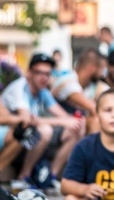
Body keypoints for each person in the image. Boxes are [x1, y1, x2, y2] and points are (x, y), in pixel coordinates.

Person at [2, 53, 85, 190]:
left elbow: (63, 116)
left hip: (28, 137)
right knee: (45, 130)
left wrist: (75, 121)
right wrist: (63, 122)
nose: (44, 77)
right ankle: (24, 177)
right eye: (39, 73)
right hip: (12, 134)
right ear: (29, 73)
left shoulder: (43, 92)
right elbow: (28, 120)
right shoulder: (19, 88)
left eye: (47, 74)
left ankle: (49, 176)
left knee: (74, 128)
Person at [50, 47, 109, 133]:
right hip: (55, 128)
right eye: (102, 68)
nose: (103, 73)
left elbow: (112, 95)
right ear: (91, 67)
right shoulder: (66, 81)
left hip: (73, 128)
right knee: (94, 121)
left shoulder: (92, 85)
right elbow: (92, 108)